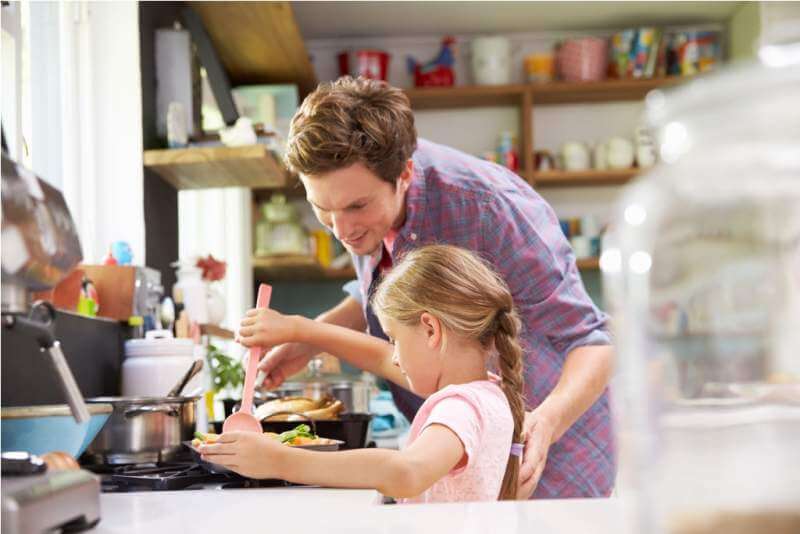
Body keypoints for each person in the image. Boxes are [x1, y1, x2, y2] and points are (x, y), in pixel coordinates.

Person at [254, 77, 615, 498]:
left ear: (404, 173)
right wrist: (312, 338)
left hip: (555, 457)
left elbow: (593, 341)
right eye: (322, 209)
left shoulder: (490, 207)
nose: (342, 231)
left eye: (357, 207)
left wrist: (548, 421)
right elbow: (386, 287)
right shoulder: (361, 206)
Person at [201, 245, 525, 502]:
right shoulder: (487, 392)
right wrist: (298, 329)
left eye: (395, 340)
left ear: (430, 329)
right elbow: (380, 359)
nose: (394, 357)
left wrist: (281, 460)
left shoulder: (460, 407)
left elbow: (408, 472)